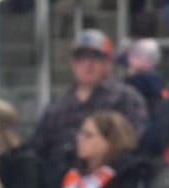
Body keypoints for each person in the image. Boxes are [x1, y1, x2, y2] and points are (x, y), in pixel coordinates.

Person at [32, 30, 150, 177]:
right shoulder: (58, 103)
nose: (88, 64)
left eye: (96, 57)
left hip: (112, 178)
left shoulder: (126, 98)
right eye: (80, 58)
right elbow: (38, 147)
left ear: (109, 62)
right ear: (72, 63)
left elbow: (135, 141)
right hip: (61, 179)